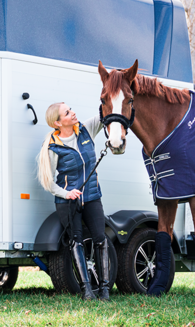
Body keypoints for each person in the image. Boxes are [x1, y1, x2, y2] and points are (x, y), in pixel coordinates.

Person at [37, 102, 109, 301]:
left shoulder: (86, 130)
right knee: (76, 241)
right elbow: (48, 181)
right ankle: (87, 290)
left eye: (71, 109)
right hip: (68, 202)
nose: (73, 113)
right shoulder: (53, 146)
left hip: (92, 195)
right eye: (67, 112)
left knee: (100, 239)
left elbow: (105, 113)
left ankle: (104, 290)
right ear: (58, 122)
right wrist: (66, 193)